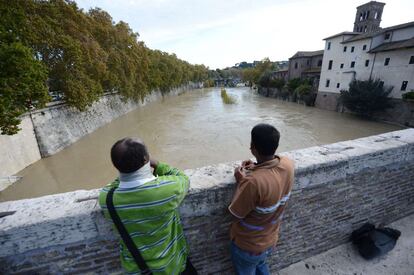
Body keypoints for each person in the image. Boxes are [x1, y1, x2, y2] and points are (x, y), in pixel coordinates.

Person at [99, 137, 197, 275]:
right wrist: (157, 164)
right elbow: (182, 178)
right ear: (146, 160)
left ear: (115, 165)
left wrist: (127, 166)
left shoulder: (106, 198)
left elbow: (116, 184)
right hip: (171, 266)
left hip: (137, 270)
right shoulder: (166, 190)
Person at [228, 124, 295, 275]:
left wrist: (241, 181)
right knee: (262, 266)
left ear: (253, 147)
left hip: (249, 246)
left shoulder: (252, 183)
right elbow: (271, 172)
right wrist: (257, 167)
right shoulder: (288, 164)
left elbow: (235, 215)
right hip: (270, 240)